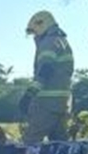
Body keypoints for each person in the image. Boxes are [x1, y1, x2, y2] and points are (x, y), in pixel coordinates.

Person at [21, 10, 74, 142]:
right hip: (62, 104)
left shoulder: (48, 43)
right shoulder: (62, 42)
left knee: (30, 143)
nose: (34, 35)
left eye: (34, 31)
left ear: (41, 25)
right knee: (60, 145)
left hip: (46, 103)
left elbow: (45, 70)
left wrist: (29, 95)